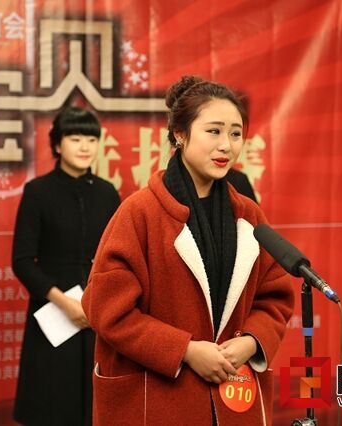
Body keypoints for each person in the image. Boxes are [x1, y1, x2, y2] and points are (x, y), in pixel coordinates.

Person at [82, 76, 294, 425]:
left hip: (231, 397)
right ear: (180, 134)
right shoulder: (140, 212)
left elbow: (274, 297)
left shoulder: (248, 214)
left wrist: (252, 341)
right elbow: (106, 309)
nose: (226, 145)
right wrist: (185, 350)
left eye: (236, 133)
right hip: (157, 400)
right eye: (214, 131)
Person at [12, 106, 120, 425]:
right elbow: (22, 261)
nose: (85, 147)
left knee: (97, 406)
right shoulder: (38, 192)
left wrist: (100, 304)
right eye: (75, 139)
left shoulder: (107, 193)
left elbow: (118, 256)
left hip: (98, 314)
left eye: (91, 139)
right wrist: (64, 303)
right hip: (53, 312)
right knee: (52, 404)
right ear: (58, 145)